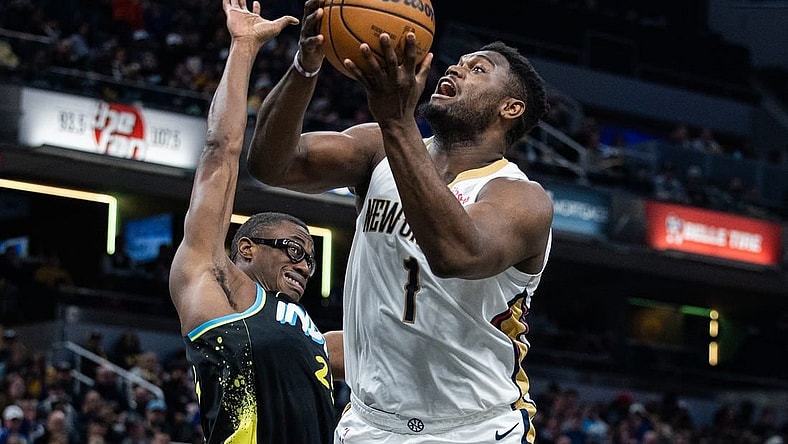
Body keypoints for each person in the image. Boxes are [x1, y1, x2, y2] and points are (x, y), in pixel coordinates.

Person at [247, 1, 554, 442]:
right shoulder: (376, 149)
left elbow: (456, 253)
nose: (456, 69)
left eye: (479, 69)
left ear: (510, 108)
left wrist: (396, 119)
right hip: (369, 423)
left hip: (475, 429)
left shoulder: (519, 197)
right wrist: (306, 64)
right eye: (458, 63)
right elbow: (271, 165)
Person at [167, 0, 338, 442]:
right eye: (296, 250)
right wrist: (243, 47)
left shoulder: (316, 339)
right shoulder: (213, 281)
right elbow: (219, 153)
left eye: (311, 261)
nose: (305, 267)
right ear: (247, 248)